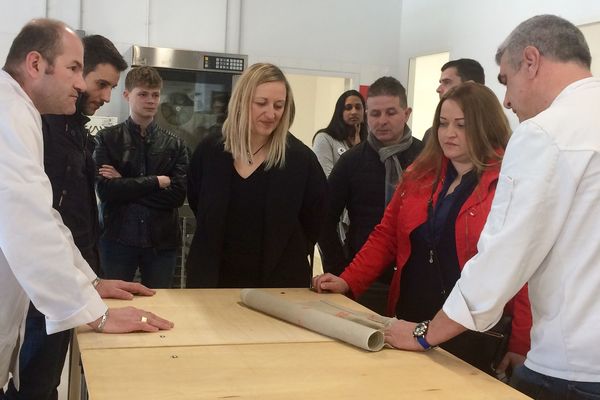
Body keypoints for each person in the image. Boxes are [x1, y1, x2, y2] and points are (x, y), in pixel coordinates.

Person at [382, 15, 600, 399]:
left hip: (572, 367)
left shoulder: (545, 133)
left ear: (530, 61)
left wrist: (424, 334)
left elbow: (503, 258)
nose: (507, 100)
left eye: (506, 80)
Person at [0, 18, 173, 391]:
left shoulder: (22, 112)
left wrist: (90, 282)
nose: (80, 84)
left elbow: (47, 217)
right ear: (34, 64)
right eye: (74, 69)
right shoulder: (10, 115)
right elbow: (27, 227)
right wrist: (97, 315)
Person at [314, 82, 532, 376]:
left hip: (468, 331)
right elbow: (386, 236)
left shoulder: (508, 184)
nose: (449, 133)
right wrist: (348, 280)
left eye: (461, 125)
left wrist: (521, 341)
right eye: (443, 124)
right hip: (410, 317)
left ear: (485, 126)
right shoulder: (420, 174)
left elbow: (521, 272)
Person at [185, 62, 327, 288]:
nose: (271, 114)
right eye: (261, 103)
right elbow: (198, 202)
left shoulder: (301, 160)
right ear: (242, 102)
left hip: (279, 286)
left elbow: (314, 221)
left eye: (279, 105)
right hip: (212, 284)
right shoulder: (209, 152)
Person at [318, 77, 423, 314]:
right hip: (364, 278)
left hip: (416, 278)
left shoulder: (427, 158)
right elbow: (325, 218)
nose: (382, 121)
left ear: (406, 113)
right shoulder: (351, 162)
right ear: (366, 115)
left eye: (391, 112)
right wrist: (340, 268)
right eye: (375, 114)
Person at [94, 66, 189, 289]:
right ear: (127, 95)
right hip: (117, 238)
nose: (150, 100)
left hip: (161, 243)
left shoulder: (175, 144)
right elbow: (106, 191)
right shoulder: (106, 138)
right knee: (114, 302)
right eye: (143, 94)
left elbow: (176, 196)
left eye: (155, 94)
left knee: (162, 304)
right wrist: (155, 182)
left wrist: (123, 182)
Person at [422, 59, 485, 144]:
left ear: (469, 86)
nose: (438, 89)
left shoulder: (493, 133)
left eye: (447, 82)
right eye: (443, 123)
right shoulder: (430, 135)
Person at [312, 90, 368, 177]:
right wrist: (355, 151)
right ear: (340, 112)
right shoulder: (324, 138)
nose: (354, 112)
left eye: (358, 107)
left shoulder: (369, 142)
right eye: (348, 108)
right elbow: (326, 178)